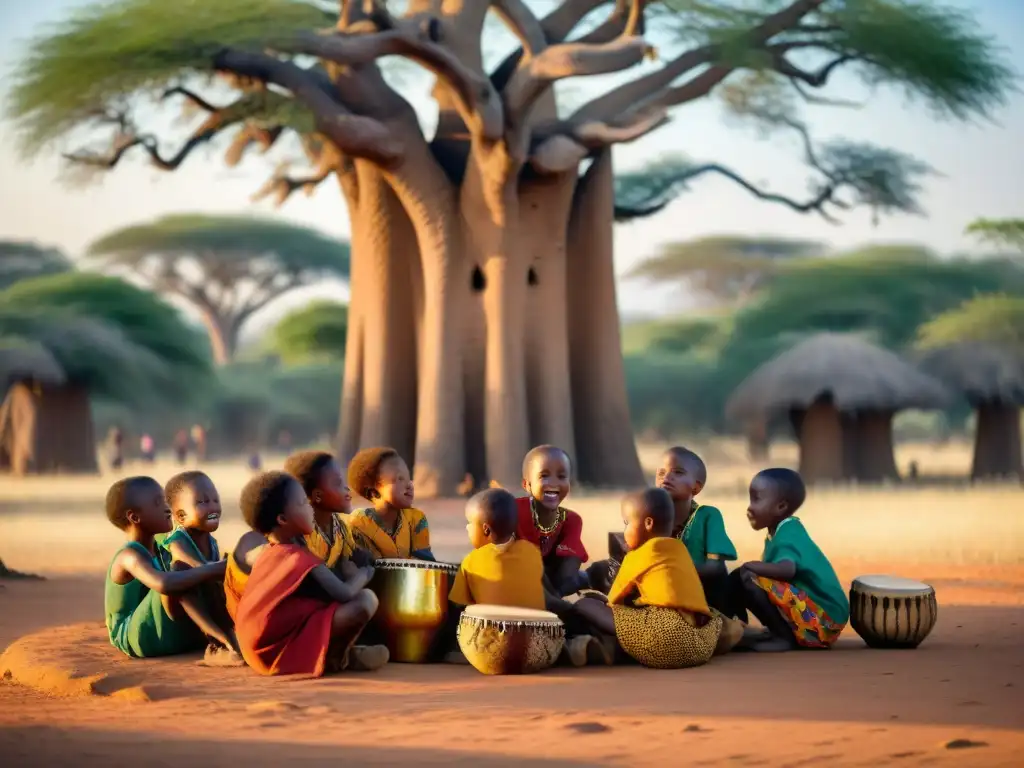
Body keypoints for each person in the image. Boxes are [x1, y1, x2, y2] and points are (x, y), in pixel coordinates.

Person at [233, 471, 389, 676]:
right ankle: (337, 658)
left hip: (251, 648)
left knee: (326, 605)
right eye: (303, 504)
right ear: (283, 519)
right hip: (274, 652)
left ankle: (336, 654)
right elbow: (345, 594)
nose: (310, 509)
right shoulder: (299, 557)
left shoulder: (268, 552)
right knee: (366, 601)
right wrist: (363, 574)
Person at [573, 488, 741, 669]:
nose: (624, 530)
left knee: (586, 605)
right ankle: (732, 633)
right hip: (699, 646)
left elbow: (616, 599)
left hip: (662, 637)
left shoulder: (640, 554)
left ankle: (609, 647)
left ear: (648, 523)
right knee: (714, 617)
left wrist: (601, 605)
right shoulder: (680, 549)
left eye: (627, 523)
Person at [103, 476, 228, 659]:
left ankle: (222, 632)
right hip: (137, 638)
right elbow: (164, 585)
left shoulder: (161, 546)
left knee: (188, 572)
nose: (167, 508)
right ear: (134, 517)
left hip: (165, 632)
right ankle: (221, 640)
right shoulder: (129, 556)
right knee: (178, 571)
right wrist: (214, 569)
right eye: (157, 503)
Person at [734, 468, 849, 652]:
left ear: (781, 507)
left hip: (825, 622)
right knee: (743, 576)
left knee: (749, 576)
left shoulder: (788, 533)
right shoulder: (778, 531)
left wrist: (749, 566)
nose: (749, 507)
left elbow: (788, 570)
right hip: (819, 617)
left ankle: (782, 637)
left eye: (756, 499)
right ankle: (751, 629)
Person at [157, 470, 242, 665]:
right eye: (202, 502)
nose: (213, 507)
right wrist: (228, 566)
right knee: (182, 569)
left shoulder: (211, 542)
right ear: (181, 516)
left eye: (215, 500)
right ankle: (217, 643)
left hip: (199, 605)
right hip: (174, 611)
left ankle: (232, 635)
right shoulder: (178, 541)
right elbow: (200, 569)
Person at [655, 447, 738, 615]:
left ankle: (720, 625)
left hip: (704, 597)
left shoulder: (708, 516)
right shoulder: (650, 518)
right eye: (661, 472)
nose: (667, 477)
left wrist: (673, 570)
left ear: (696, 488)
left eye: (677, 473)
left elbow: (715, 568)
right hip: (663, 594)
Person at [449, 488, 545, 610]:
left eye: (469, 523)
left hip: (492, 629)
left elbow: (458, 603)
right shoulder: (532, 552)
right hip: (536, 627)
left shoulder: (471, 561)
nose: (467, 528)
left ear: (486, 529)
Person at [516, 445, 591, 601]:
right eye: (544, 476)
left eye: (562, 477)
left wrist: (554, 598)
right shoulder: (514, 511)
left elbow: (569, 567)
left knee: (580, 569)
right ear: (526, 485)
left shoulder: (571, 520)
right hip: (518, 576)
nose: (554, 483)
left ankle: (593, 577)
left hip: (553, 581)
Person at [284, 450, 371, 573]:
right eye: (338, 483)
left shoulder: (340, 528)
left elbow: (361, 557)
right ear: (318, 495)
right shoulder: (297, 537)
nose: (347, 489)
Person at [347, 447, 434, 560]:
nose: (409, 485)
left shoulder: (416, 519)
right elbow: (364, 567)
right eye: (399, 479)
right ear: (373, 491)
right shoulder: (359, 523)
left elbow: (425, 563)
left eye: (409, 478)